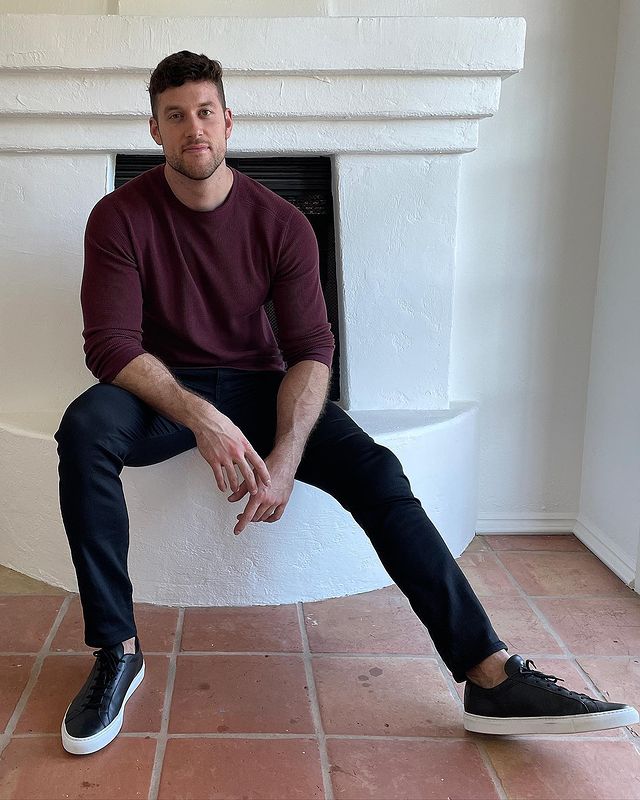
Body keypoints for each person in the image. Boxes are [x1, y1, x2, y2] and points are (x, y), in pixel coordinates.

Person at [54, 50, 638, 756]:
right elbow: (110, 346)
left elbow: (311, 349)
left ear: (228, 121)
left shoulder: (281, 222)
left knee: (379, 472)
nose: (193, 128)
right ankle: (117, 649)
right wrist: (201, 419)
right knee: (84, 428)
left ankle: (488, 672)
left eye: (205, 112)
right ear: (155, 130)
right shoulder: (118, 217)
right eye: (175, 116)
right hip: (165, 386)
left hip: (261, 384)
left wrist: (285, 453)